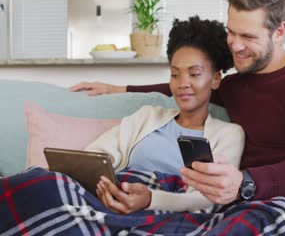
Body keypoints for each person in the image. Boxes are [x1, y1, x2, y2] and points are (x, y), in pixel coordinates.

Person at [70, 0, 285, 206]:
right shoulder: (239, 85)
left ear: (279, 32)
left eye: (248, 36)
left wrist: (246, 182)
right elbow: (189, 85)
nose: (235, 45)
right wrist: (119, 88)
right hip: (250, 198)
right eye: (231, 32)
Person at [84, 16, 245, 214]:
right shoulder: (147, 116)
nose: (182, 83)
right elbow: (95, 156)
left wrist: (151, 200)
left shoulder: (229, 133)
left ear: (215, 79)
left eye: (194, 74)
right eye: (175, 74)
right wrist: (108, 188)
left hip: (168, 213)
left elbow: (209, 199)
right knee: (40, 179)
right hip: (115, 196)